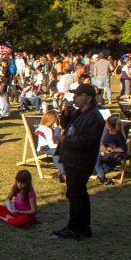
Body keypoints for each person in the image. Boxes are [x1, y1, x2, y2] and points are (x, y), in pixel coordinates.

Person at [53, 84, 105, 240]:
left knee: (75, 194)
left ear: (88, 98)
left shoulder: (94, 116)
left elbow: (87, 140)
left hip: (80, 160)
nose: (74, 98)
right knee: (79, 193)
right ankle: (83, 228)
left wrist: (65, 139)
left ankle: (74, 227)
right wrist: (67, 113)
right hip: (73, 158)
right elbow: (66, 126)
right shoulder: (80, 112)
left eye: (77, 95)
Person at [93, 116, 128, 185]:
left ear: (111, 126)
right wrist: (101, 146)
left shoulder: (119, 135)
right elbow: (100, 141)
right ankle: (102, 177)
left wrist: (111, 150)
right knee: (94, 155)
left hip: (112, 155)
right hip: (102, 153)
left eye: (107, 124)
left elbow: (124, 148)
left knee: (117, 159)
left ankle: (101, 176)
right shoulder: (106, 130)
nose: (105, 125)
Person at [34, 110, 65, 181]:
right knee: (56, 151)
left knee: (59, 149)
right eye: (56, 119)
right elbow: (51, 145)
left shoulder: (41, 127)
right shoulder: (48, 130)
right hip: (45, 149)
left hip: (41, 149)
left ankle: (64, 171)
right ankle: (64, 172)